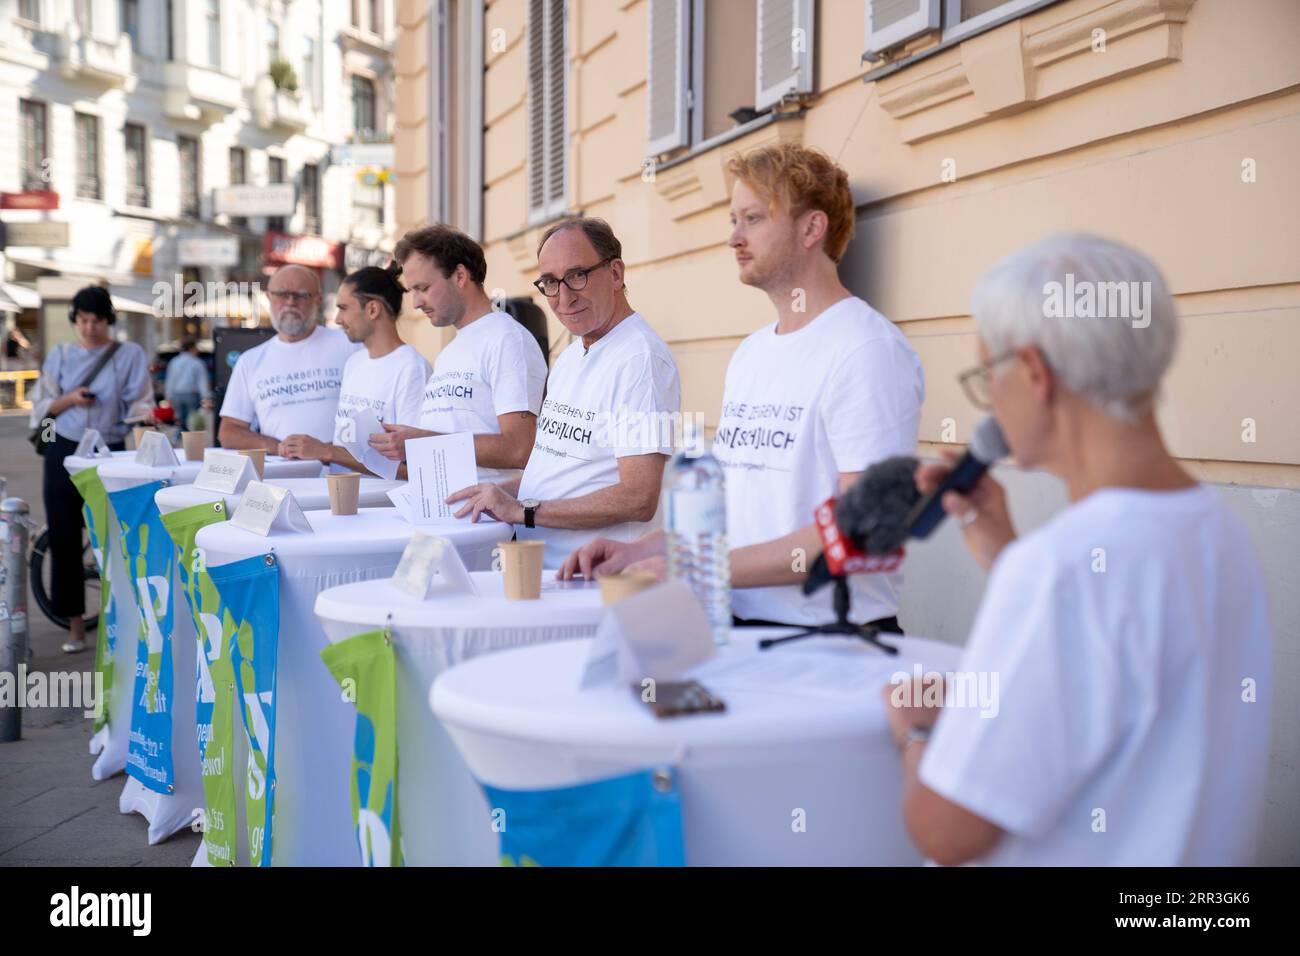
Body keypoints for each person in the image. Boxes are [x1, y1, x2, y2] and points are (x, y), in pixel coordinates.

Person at [879, 233, 1272, 865]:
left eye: (987, 374)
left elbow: (947, 832)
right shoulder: (1218, 528)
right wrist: (1004, 549)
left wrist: (916, 727)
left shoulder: (1059, 569)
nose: (989, 402)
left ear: (1034, 373)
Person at [559, 144, 925, 631]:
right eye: (733, 219)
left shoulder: (866, 350)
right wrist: (641, 549)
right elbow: (732, 506)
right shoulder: (752, 353)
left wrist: (696, 569)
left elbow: (863, 527)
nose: (734, 237)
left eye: (752, 218)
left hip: (828, 642)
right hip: (737, 625)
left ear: (812, 228)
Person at [447, 217, 681, 567]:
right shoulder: (572, 354)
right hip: (542, 569)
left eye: (577, 275)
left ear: (616, 274)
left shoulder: (641, 359)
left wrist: (523, 511)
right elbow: (556, 470)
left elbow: (639, 498)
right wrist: (496, 494)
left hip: (593, 580)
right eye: (551, 283)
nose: (564, 298)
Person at [368, 224, 546, 483]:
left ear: (460, 275)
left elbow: (520, 449)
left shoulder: (508, 340)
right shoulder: (451, 350)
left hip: (487, 517)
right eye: (413, 291)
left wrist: (420, 441)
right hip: (444, 510)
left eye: (424, 288)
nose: (416, 303)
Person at [31, 286, 150, 654]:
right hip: (63, 450)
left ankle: (126, 622)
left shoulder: (127, 354)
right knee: (64, 536)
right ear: (74, 320)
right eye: (82, 320)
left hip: (108, 449)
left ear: (108, 320)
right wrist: (69, 404)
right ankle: (75, 626)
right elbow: (44, 409)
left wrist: (145, 423)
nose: (88, 327)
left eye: (96, 320)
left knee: (117, 536)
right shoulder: (61, 354)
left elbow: (140, 402)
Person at [276, 265, 429, 473]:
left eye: (344, 308)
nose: (338, 319)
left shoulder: (412, 368)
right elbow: (348, 444)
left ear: (373, 310)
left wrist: (326, 452)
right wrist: (304, 448)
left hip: (380, 504)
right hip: (340, 495)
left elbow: (415, 468)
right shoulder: (354, 362)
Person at [218, 264, 358, 453]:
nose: (290, 302)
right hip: (280, 478)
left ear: (318, 300)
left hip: (345, 478)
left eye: (301, 295)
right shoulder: (250, 362)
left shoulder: (350, 346)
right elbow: (229, 432)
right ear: (269, 297)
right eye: (282, 294)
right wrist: (279, 447)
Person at [163, 337, 210, 431]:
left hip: (177, 395)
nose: (198, 350)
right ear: (191, 348)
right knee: (193, 422)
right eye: (196, 347)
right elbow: (202, 381)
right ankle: (189, 440)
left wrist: (168, 396)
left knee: (180, 420)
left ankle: (178, 437)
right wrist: (206, 397)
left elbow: (170, 380)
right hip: (192, 395)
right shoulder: (197, 363)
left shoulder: (174, 362)